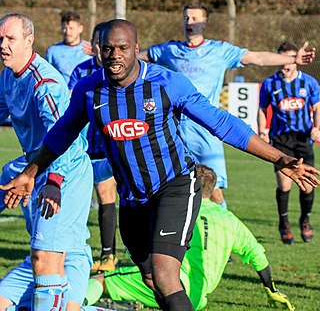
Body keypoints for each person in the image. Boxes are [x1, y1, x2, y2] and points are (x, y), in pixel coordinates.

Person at [1, 19, 319, 311]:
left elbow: (222, 123)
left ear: (137, 49)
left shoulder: (166, 83)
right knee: (152, 280)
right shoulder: (89, 90)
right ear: (98, 50)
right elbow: (60, 135)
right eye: (108, 48)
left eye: (123, 48)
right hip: (132, 199)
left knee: (166, 275)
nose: (115, 56)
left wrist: (279, 158)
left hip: (176, 185)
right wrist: (31, 173)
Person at [138, 2, 317, 211]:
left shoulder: (219, 51)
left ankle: (223, 232)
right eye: (186, 18)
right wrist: (107, 56)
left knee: (213, 189)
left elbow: (256, 58)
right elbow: (138, 57)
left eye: (195, 18)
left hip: (206, 126)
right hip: (173, 128)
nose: (189, 22)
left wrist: (292, 58)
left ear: (205, 23)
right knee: (167, 186)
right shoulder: (170, 50)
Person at [83, 164, 295, 311]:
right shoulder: (229, 219)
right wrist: (271, 290)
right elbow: (257, 253)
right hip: (198, 297)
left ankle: (73, 305)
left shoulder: (176, 210)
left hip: (169, 284)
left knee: (100, 280)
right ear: (212, 192)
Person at [0, 12, 94, 311]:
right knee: (44, 256)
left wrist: (54, 182)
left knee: (46, 257)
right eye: (0, 38)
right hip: (33, 166)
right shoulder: (7, 75)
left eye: (10, 38)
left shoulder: (46, 83)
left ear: (29, 41)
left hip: (64, 171)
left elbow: (66, 137)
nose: (3, 44)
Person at [258, 41, 320, 245]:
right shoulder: (270, 84)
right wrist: (263, 131)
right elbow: (262, 109)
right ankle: (284, 223)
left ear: (297, 62)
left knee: (307, 186)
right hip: (280, 140)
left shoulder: (309, 83)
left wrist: (317, 127)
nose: (286, 65)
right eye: (283, 60)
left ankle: (305, 220)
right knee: (284, 184)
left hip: (303, 139)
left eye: (290, 61)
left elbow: (317, 107)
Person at [69, 22, 118, 272]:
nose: (102, 49)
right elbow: (71, 107)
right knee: (74, 199)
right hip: (81, 147)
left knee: (106, 195)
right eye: (98, 44)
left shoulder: (118, 73)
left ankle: (108, 255)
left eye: (106, 44)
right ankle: (71, 251)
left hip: (108, 146)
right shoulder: (81, 72)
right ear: (93, 46)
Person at [45, 10, 91, 84]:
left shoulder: (90, 49)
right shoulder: (53, 51)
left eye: (71, 28)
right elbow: (46, 76)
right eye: (64, 28)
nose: (67, 32)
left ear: (80, 29)